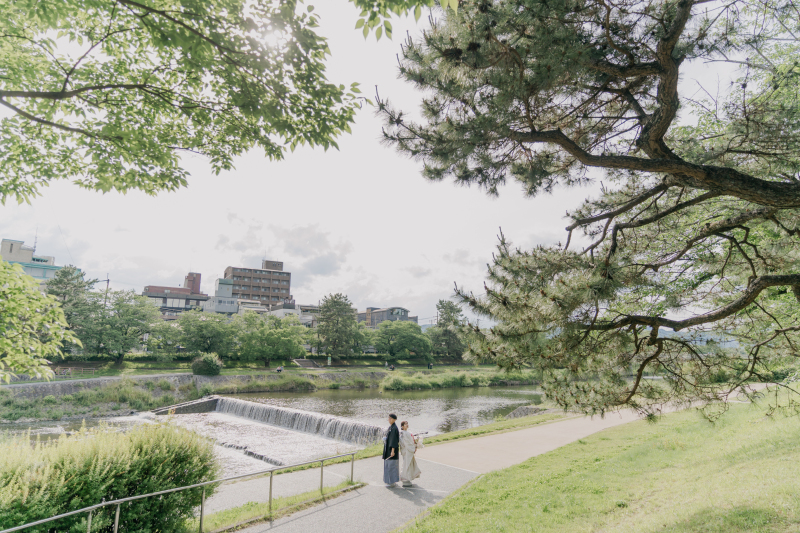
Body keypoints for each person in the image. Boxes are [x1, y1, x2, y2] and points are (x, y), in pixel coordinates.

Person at [399, 421, 422, 487]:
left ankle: (408, 478)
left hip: (407, 450)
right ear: (402, 426)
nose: (407, 425)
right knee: (407, 464)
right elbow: (406, 443)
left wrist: (415, 446)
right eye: (405, 424)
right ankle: (405, 479)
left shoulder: (406, 433)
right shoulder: (404, 433)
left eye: (407, 424)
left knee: (408, 464)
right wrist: (413, 447)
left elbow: (409, 442)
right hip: (407, 451)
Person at [382, 414, 400, 487]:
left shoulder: (394, 428)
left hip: (391, 451)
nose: (389, 419)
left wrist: (393, 451)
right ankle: (390, 481)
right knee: (388, 465)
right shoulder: (391, 427)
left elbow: (394, 441)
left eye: (390, 418)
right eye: (388, 418)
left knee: (391, 466)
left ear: (394, 419)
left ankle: (391, 482)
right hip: (388, 450)